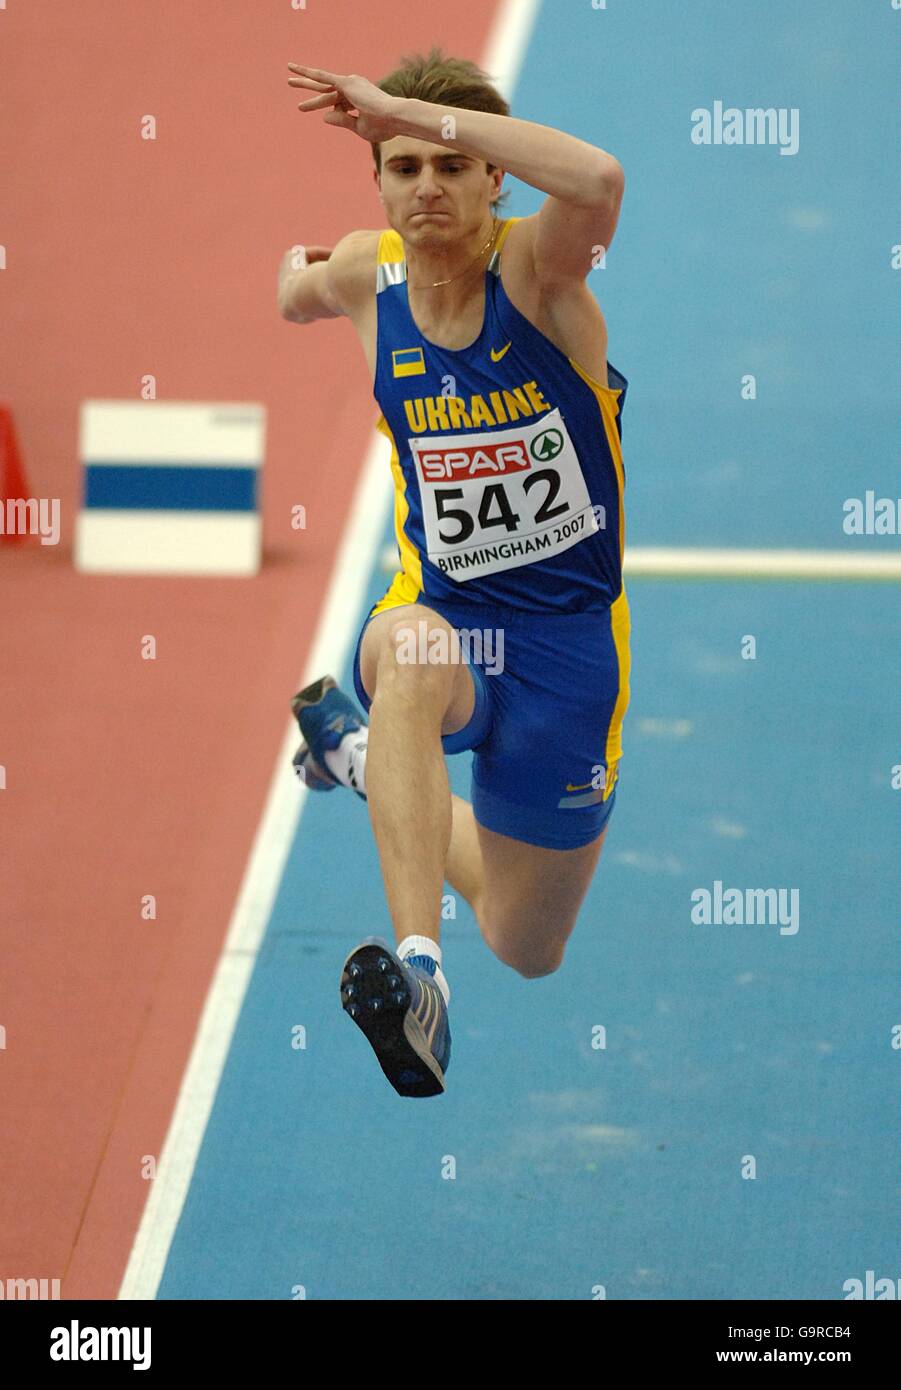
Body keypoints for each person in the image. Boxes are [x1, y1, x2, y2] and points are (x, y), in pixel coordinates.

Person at [279, 48, 629, 1098]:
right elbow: (296, 290)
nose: (425, 185)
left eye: (446, 163)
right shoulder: (364, 276)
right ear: (378, 185)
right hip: (447, 619)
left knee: (526, 942)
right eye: (399, 167)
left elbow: (601, 182)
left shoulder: (538, 275)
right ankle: (421, 978)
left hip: (568, 651)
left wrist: (417, 115)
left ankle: (355, 761)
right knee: (407, 651)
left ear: (492, 181)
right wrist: (294, 277)